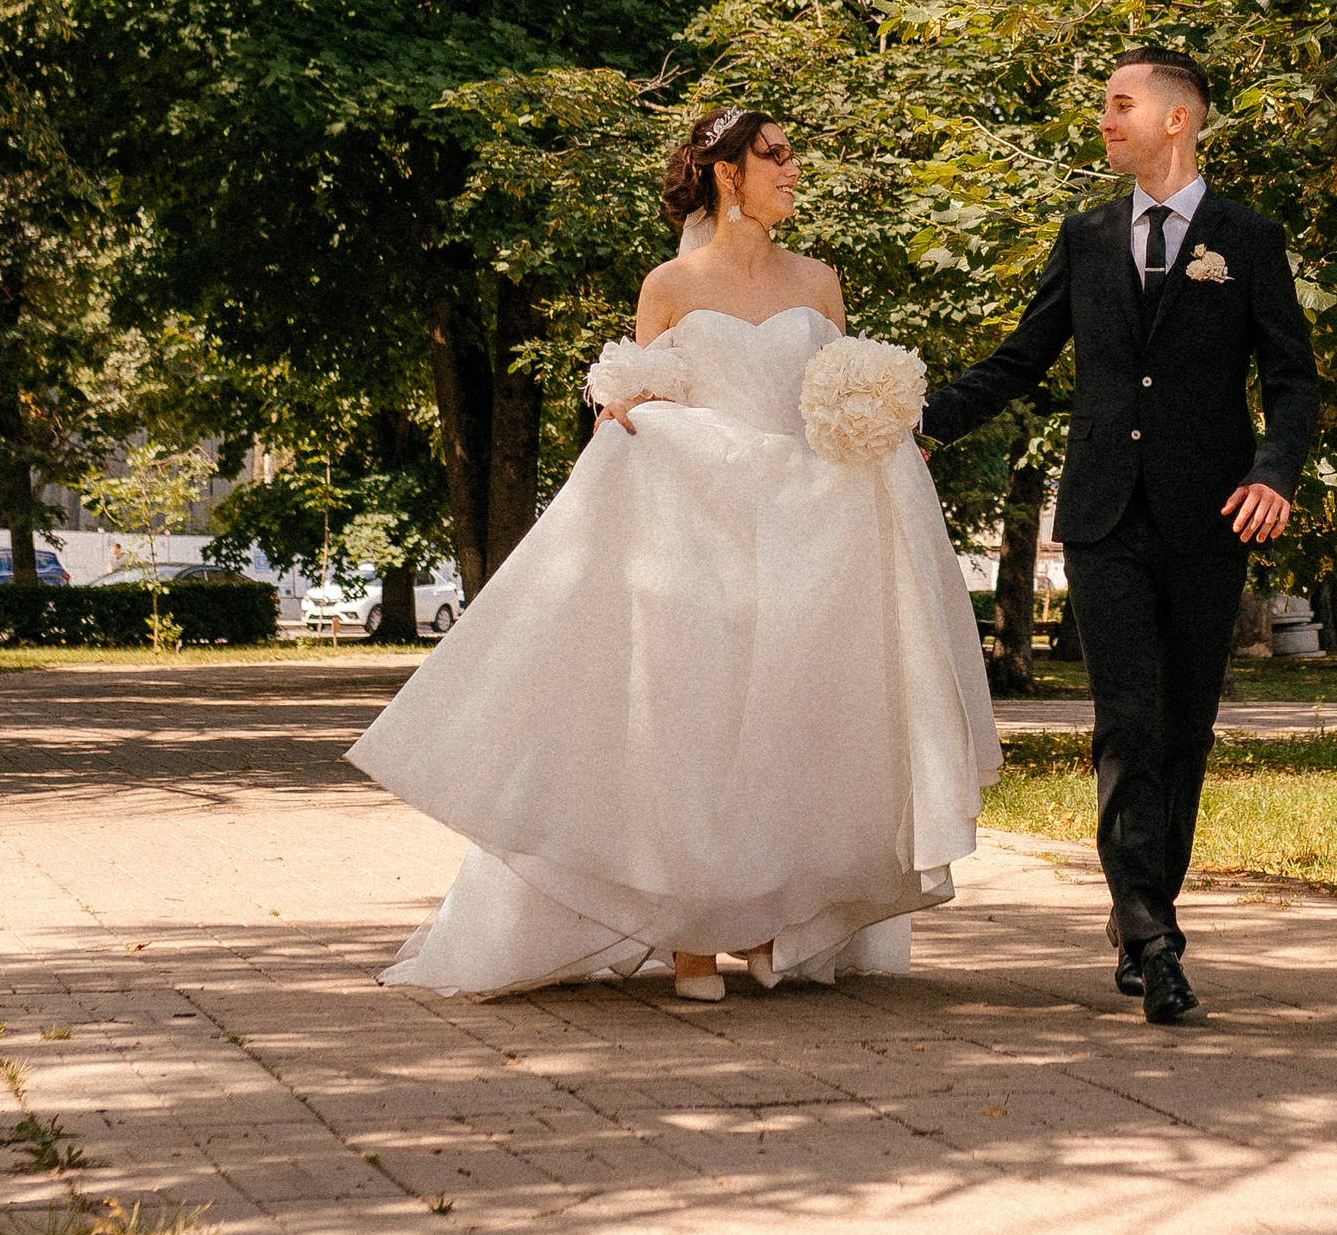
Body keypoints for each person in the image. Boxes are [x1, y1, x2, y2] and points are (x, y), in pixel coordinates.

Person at [350, 108, 1000, 1001]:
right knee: (698, 723)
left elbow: (832, 402)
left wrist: (881, 429)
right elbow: (637, 399)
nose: (793, 171)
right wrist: (628, 415)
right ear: (727, 174)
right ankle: (694, 935)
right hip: (700, 532)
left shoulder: (821, 281)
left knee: (793, 719)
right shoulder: (670, 286)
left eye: (792, 156)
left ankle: (768, 920)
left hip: (810, 535)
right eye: (775, 157)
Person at [921, 50, 1320, 1024]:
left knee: (1183, 727)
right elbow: (1023, 359)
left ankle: (1147, 903)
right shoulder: (1086, 236)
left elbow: (1293, 379)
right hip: (1101, 514)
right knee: (1127, 719)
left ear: (1176, 120)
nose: (1103, 120)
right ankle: (1150, 932)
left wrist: (1272, 475)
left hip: (1209, 516)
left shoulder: (1246, 239)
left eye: (1119, 104)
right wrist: (920, 422)